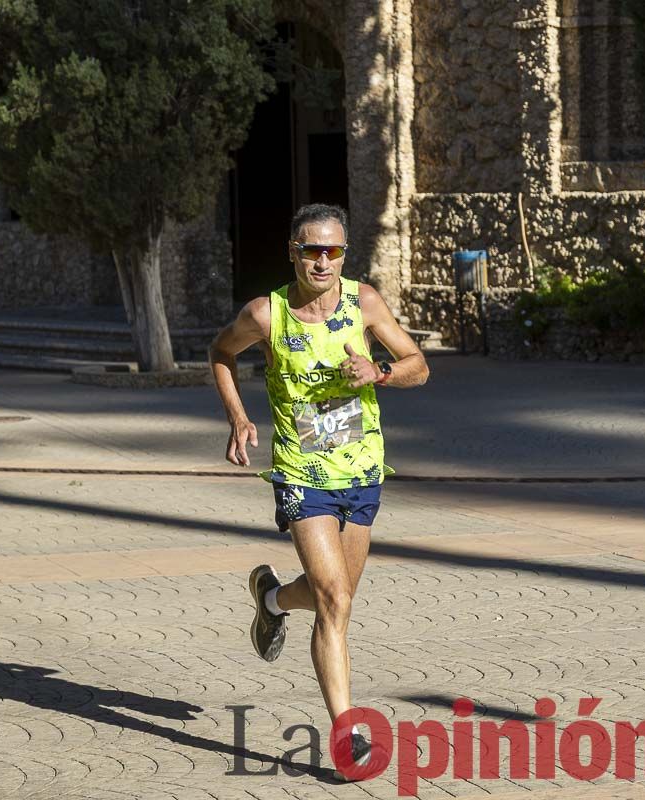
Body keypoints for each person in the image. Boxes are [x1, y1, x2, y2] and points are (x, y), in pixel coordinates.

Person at [209, 203, 429, 778]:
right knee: (333, 598)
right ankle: (348, 732)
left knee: (338, 600)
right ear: (293, 251)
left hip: (362, 473)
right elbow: (220, 353)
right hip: (303, 473)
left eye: (333, 251)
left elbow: (418, 365)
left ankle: (272, 600)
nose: (323, 261)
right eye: (312, 250)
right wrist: (237, 417)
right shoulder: (266, 313)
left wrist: (379, 373)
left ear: (344, 254)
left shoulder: (366, 302)